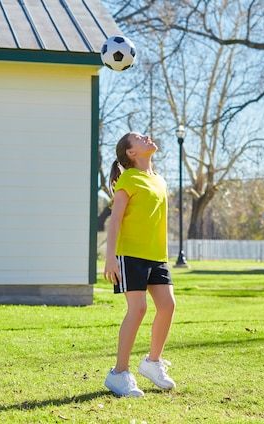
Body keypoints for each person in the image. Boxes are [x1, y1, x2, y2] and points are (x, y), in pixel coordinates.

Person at [103, 132, 177, 397]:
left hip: (157, 255)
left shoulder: (159, 180)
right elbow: (116, 220)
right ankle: (119, 374)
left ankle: (152, 363)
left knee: (167, 306)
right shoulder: (128, 179)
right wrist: (110, 256)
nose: (146, 137)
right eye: (138, 137)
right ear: (131, 153)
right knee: (139, 308)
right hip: (129, 254)